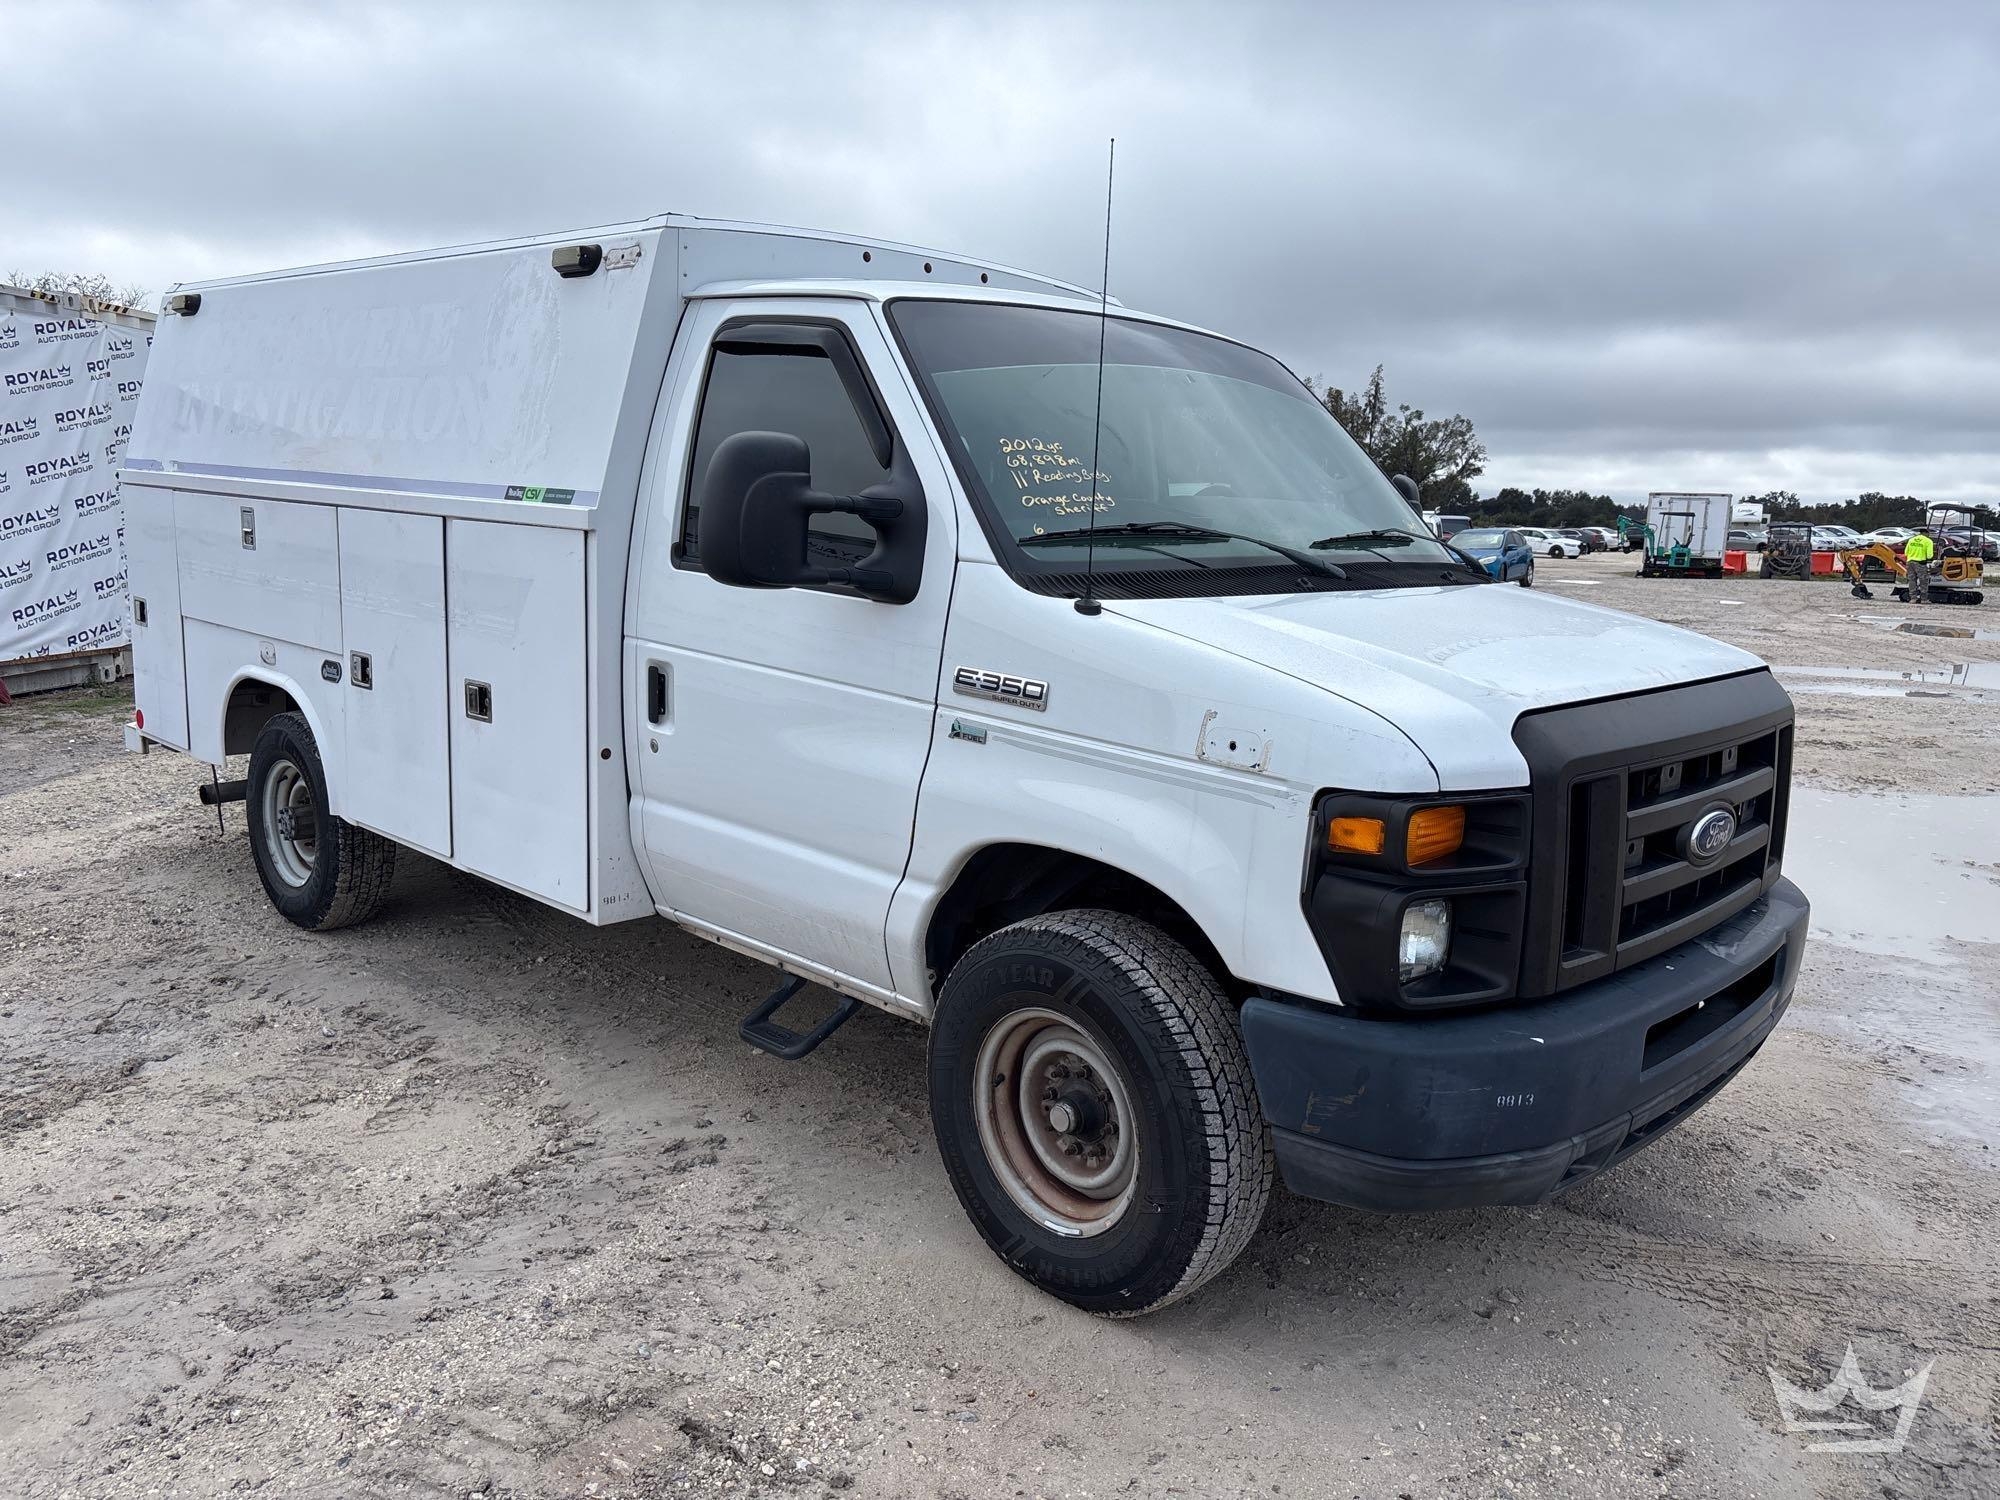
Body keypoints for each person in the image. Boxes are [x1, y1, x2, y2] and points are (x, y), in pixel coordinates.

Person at [1903, 529, 1936, 604]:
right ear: (1926, 533)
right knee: (1923, 581)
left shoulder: (1911, 540)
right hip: (1920, 563)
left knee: (1912, 580)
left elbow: (1906, 553)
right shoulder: (1928, 541)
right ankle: (1924, 599)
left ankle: (1913, 598)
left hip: (1910, 562)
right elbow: (1929, 555)